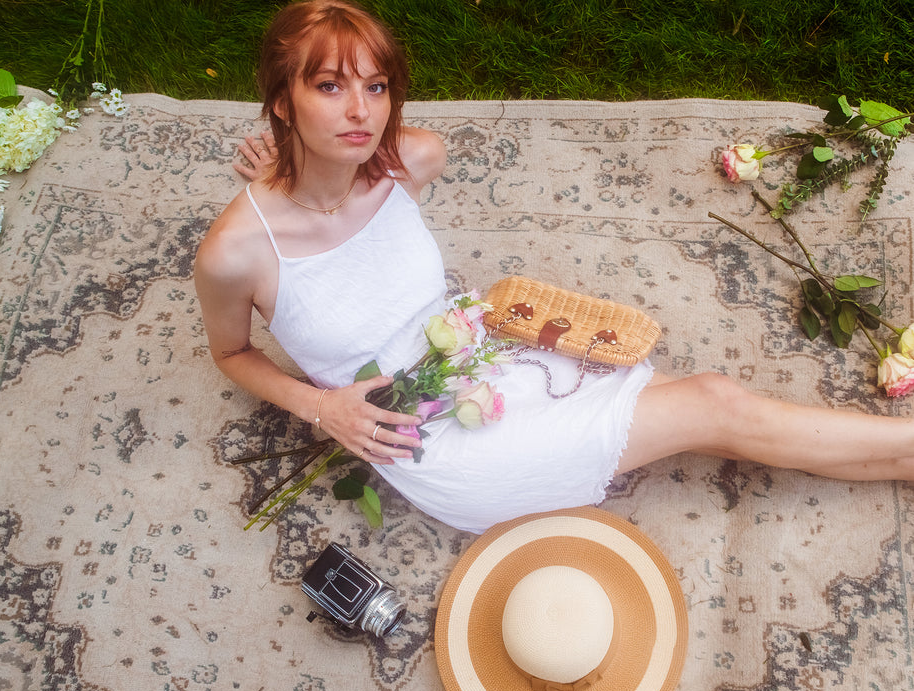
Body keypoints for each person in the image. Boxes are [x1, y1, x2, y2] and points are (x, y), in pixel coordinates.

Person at [195, 0, 914, 535]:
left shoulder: (404, 164)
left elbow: (399, 146)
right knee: (714, 406)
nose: (361, 112)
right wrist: (320, 407)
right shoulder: (236, 251)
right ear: (279, 100)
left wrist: (312, 149)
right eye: (327, 87)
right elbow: (229, 352)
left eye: (376, 86)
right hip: (423, 434)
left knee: (716, 397)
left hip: (484, 351)